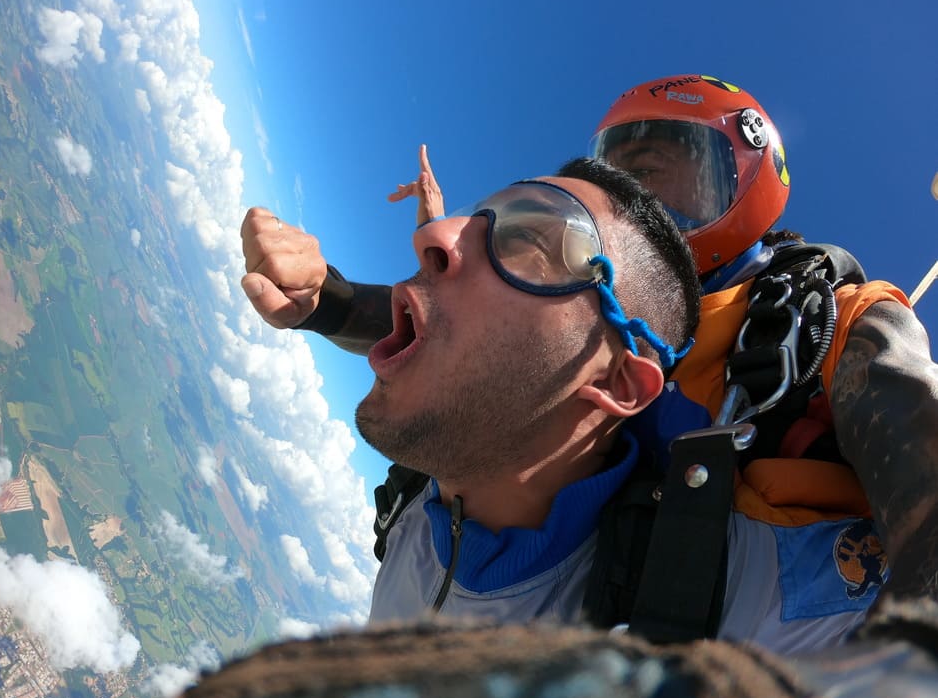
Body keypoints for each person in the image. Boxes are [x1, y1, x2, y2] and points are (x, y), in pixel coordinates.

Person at [241, 75, 938, 654]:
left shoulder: (828, 323)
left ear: (742, 192)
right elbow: (469, 354)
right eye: (621, 172)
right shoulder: (575, 302)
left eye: (666, 178)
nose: (644, 207)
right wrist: (325, 300)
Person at [245, 159, 701, 623]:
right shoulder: (419, 506)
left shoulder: (634, 655)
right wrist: (324, 303)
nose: (431, 239)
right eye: (474, 220)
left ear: (616, 382)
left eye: (528, 240)